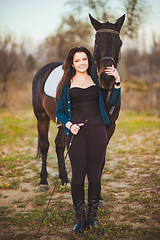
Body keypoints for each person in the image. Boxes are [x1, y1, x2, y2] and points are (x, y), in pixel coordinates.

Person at [55, 46, 121, 233]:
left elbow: (113, 101)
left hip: (97, 131)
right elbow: (60, 111)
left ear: (88, 61)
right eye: (77, 60)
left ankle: (92, 216)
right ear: (72, 63)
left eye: (84, 59)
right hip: (76, 134)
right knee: (77, 176)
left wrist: (117, 81)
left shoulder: (96, 80)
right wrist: (69, 125)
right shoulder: (65, 84)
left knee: (94, 174)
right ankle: (80, 217)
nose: (81, 63)